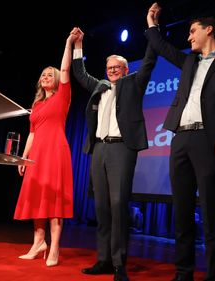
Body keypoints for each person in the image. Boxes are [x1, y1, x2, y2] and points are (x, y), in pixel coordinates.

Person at [145, 3, 215, 281]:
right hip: (181, 138)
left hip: (210, 139)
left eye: (193, 31)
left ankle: (214, 275)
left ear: (208, 30)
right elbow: (161, 46)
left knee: (211, 212)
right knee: (181, 210)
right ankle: (183, 273)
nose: (189, 37)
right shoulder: (188, 61)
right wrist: (152, 23)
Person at [70, 27, 157, 281]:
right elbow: (79, 72)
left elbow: (150, 61)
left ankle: (119, 264)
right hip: (99, 148)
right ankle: (103, 260)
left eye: (116, 67)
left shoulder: (134, 83)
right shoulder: (100, 86)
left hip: (121, 148)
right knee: (101, 206)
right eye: (109, 68)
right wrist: (78, 45)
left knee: (118, 206)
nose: (112, 71)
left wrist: (152, 29)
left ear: (126, 70)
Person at [13, 31, 77, 267]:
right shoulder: (37, 104)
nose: (45, 76)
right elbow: (32, 133)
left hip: (56, 152)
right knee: (37, 198)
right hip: (37, 154)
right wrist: (23, 157)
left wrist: (68, 43)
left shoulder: (63, 96)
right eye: (43, 75)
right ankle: (39, 242)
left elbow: (67, 69)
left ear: (57, 79)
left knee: (54, 200)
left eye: (50, 74)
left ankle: (55, 248)